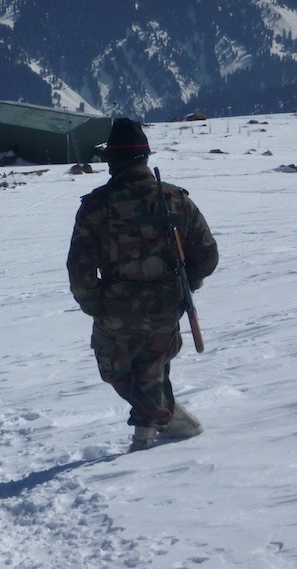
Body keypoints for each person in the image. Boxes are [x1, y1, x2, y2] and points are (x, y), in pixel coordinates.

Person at [66, 118, 218, 451]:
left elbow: (79, 271)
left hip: (114, 314)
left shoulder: (95, 207)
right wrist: (184, 287)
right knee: (151, 370)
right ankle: (169, 417)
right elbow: (207, 255)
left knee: (118, 371)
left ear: (112, 160)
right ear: (145, 156)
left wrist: (96, 306)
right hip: (166, 310)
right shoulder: (176, 200)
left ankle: (147, 440)